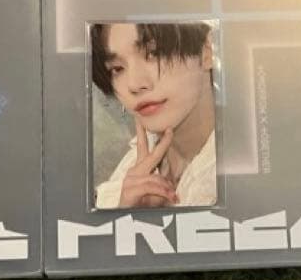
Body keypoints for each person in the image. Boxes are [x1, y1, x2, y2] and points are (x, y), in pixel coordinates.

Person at [90, 22, 217, 209]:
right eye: (117, 69)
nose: (134, 84)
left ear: (207, 52)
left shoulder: (239, 173)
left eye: (153, 53)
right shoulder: (133, 168)